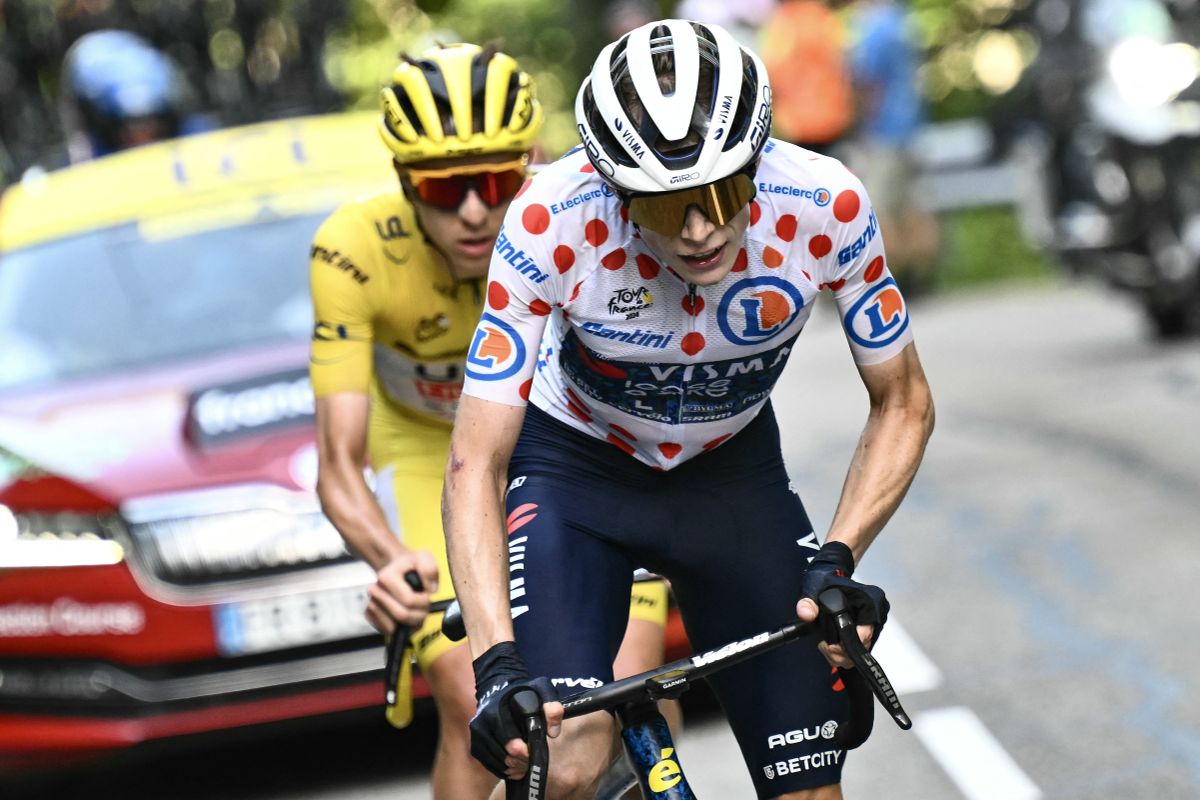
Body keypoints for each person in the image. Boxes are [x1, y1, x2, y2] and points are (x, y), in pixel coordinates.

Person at [443, 18, 934, 800]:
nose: (702, 230)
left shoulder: (825, 203)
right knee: (556, 760)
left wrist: (838, 559)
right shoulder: (549, 217)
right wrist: (497, 662)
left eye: (724, 192)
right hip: (576, 475)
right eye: (667, 207)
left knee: (810, 781)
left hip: (728, 478)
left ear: (760, 161)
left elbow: (903, 403)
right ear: (614, 189)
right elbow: (476, 462)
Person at [308, 43, 675, 799]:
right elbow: (339, 463)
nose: (474, 209)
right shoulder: (351, 252)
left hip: (569, 454)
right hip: (428, 455)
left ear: (534, 161)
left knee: (635, 685)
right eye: (444, 188)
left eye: (497, 179)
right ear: (404, 180)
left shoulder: (578, 218)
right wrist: (386, 556)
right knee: (472, 698)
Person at [846, 0, 939, 289]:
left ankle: (896, 280)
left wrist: (864, 127)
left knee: (879, 208)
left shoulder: (873, 28)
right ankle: (924, 277)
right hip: (913, 126)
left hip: (885, 131)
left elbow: (869, 82)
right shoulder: (903, 20)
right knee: (914, 206)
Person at [760, 0, 855, 155]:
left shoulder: (786, 21)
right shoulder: (825, 17)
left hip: (797, 121)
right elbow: (841, 65)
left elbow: (773, 69)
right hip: (832, 117)